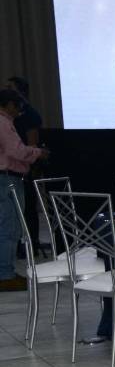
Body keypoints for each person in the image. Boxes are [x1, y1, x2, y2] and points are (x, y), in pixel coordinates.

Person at [0, 89, 47, 291]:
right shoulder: (3, 122)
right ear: (9, 104)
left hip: (5, 178)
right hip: (7, 179)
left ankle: (5, 272)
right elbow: (16, 151)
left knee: (6, 226)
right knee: (9, 228)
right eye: (17, 105)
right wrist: (37, 152)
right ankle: (4, 276)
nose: (19, 110)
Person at [6, 77, 44, 258]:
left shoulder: (29, 114)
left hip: (23, 168)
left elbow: (32, 141)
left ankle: (31, 245)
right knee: (11, 215)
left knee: (27, 209)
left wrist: (32, 162)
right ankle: (15, 249)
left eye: (10, 88)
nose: (6, 90)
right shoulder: (5, 118)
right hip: (10, 169)